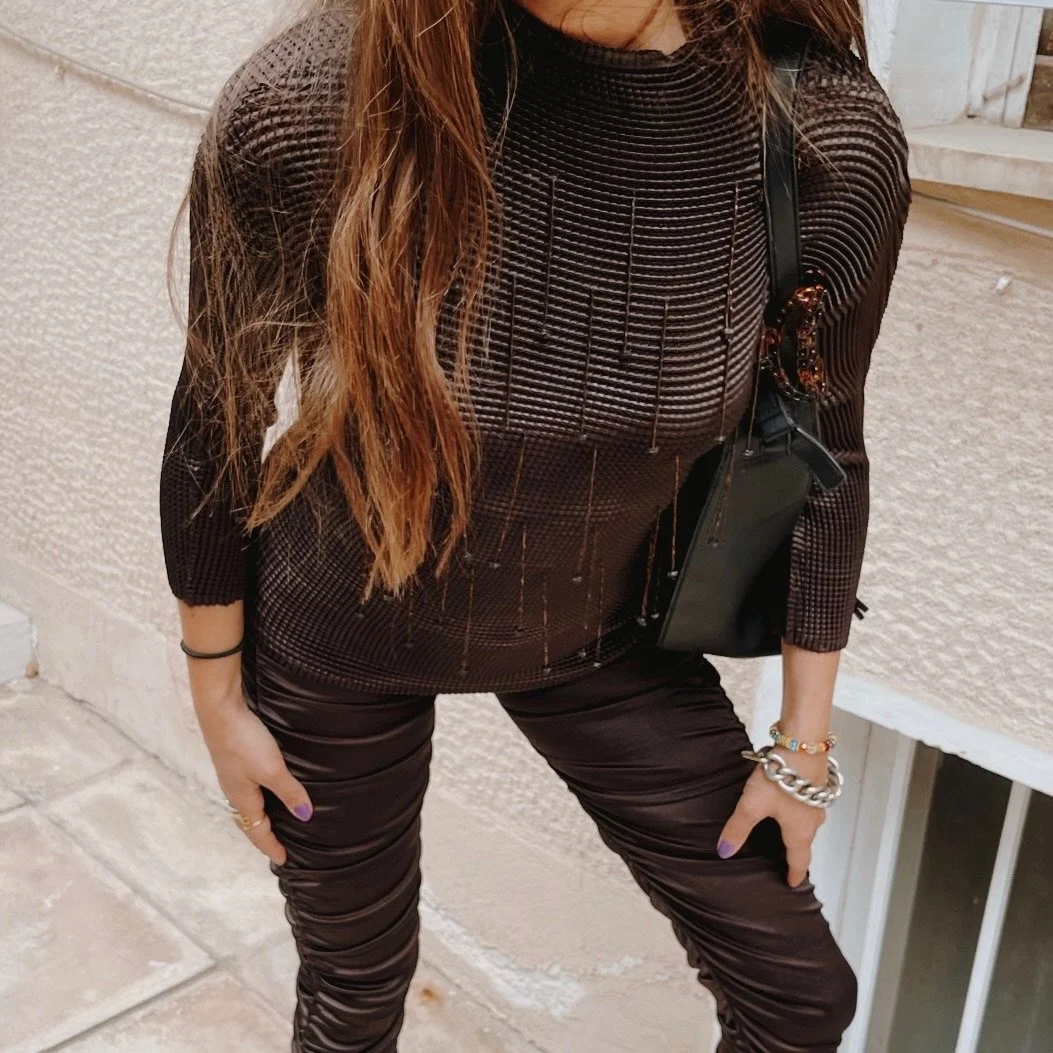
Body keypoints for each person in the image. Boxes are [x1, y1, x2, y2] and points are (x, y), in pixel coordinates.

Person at [158, 0, 911, 1049]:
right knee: (356, 992)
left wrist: (802, 744)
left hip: (599, 627)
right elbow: (215, 423)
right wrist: (217, 695)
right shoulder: (310, 100)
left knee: (800, 997)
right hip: (340, 625)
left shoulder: (811, 128)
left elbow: (828, 448)